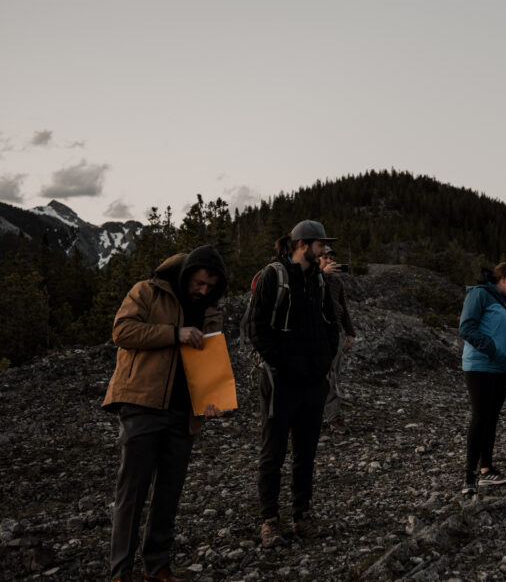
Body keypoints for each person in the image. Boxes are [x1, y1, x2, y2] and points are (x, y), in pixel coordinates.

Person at [102, 245, 228, 582]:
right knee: (132, 492)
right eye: (199, 283)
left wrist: (212, 399)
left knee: (168, 494)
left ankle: (157, 566)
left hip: (184, 414)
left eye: (210, 287)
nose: (203, 291)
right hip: (142, 404)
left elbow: (211, 360)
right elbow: (122, 331)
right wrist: (175, 334)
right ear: (188, 274)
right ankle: (120, 572)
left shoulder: (211, 310)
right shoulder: (146, 291)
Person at [251, 220, 340, 546]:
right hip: (280, 383)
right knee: (273, 453)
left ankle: (302, 516)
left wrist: (323, 362)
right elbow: (257, 327)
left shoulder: (317, 279)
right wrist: (281, 364)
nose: (324, 251)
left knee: (306, 453)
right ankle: (270, 521)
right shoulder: (274, 276)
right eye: (320, 245)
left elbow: (330, 322)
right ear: (303, 244)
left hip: (312, 384)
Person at [459, 262, 506, 495]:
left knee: (492, 418)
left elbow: (505, 329)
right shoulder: (480, 295)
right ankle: (469, 477)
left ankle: (486, 470)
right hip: (480, 366)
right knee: (480, 417)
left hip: (501, 368)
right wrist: (493, 348)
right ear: (504, 278)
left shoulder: (504, 300)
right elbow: (466, 327)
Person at [320, 248, 356, 434]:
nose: (329, 261)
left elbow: (343, 307)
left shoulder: (337, 281)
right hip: (316, 333)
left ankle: (333, 418)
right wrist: (321, 275)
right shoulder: (309, 277)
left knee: (333, 376)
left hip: (336, 332)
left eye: (331, 258)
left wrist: (350, 332)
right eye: (325, 257)